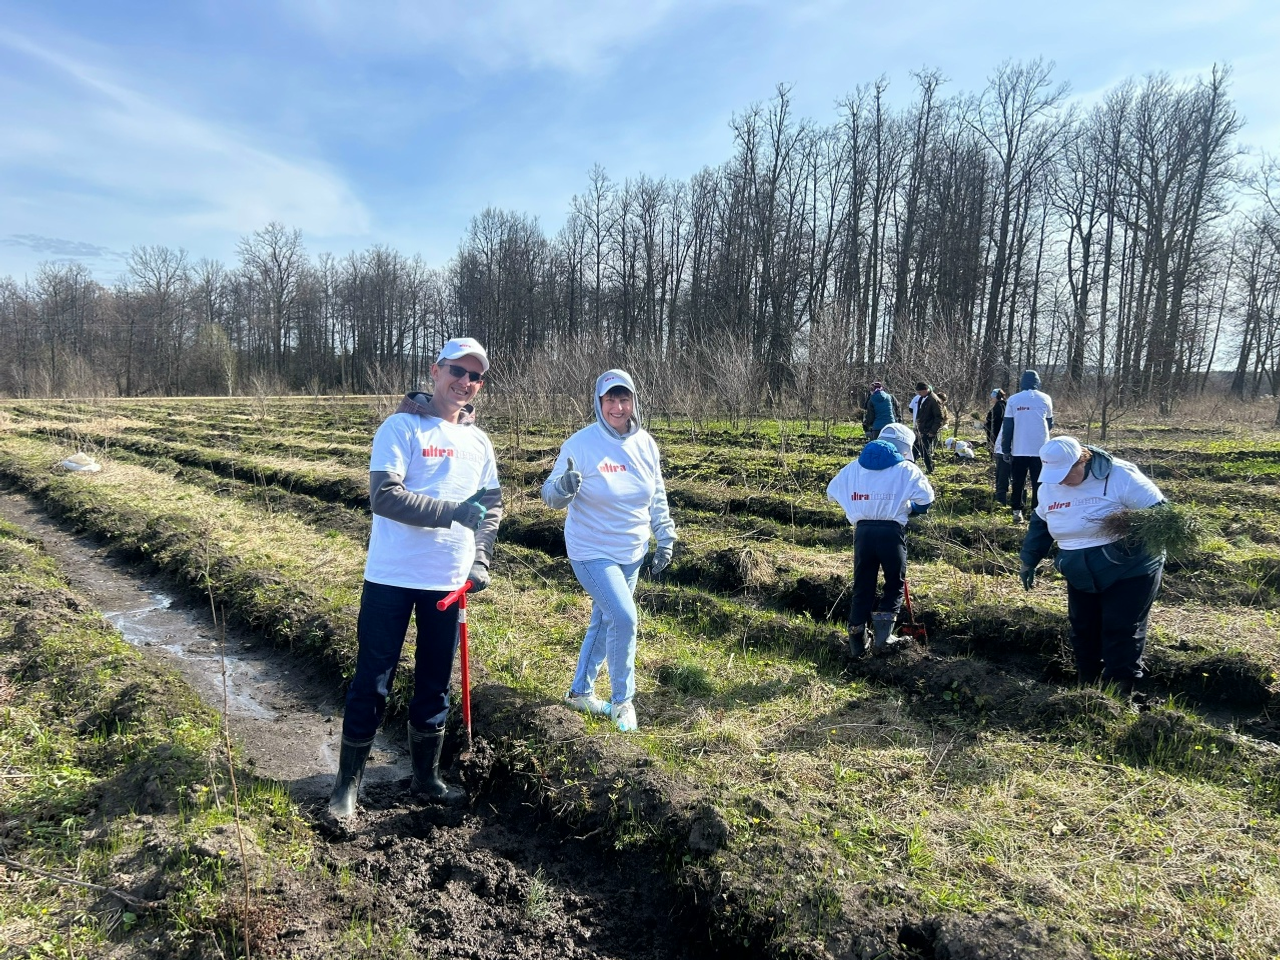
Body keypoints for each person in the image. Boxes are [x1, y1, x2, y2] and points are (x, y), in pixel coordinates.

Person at [329, 337, 503, 818]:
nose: (464, 382)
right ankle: (347, 786)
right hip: (392, 576)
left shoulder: (479, 441)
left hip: (447, 581)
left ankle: (426, 778)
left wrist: (481, 558)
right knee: (373, 679)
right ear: (435, 371)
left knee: (434, 683)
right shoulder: (401, 426)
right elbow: (384, 496)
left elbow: (491, 507)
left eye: (474, 376)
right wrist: (452, 512)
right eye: (456, 371)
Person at [542, 370, 677, 734]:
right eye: (610, 400)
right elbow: (550, 494)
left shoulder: (646, 444)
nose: (618, 407)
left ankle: (580, 692)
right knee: (624, 618)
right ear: (599, 403)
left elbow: (657, 494)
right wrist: (564, 487)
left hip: (631, 550)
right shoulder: (581, 444)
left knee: (605, 620)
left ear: (634, 401)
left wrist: (664, 536)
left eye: (624, 399)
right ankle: (623, 701)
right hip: (591, 550)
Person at [1018, 437, 1166, 698]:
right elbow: (1040, 523)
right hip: (1079, 570)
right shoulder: (1050, 486)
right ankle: (1087, 687)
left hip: (1129, 568)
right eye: (1055, 475)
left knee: (1120, 628)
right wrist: (1029, 560)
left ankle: (1120, 691)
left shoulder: (1120, 475)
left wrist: (1128, 531)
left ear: (1083, 460)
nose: (1061, 481)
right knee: (1083, 628)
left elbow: (1162, 516)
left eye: (1065, 474)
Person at [826, 421, 935, 658]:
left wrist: (864, 502)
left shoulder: (853, 468)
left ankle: (857, 639)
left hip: (862, 534)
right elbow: (926, 500)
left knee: (863, 585)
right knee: (894, 581)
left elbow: (831, 492)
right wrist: (910, 509)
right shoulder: (906, 469)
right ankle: (884, 637)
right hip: (891, 533)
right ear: (905, 449)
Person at [1000, 369, 1054, 522]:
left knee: (1018, 482)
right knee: (1039, 482)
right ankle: (1037, 512)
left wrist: (1006, 449)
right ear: (1038, 382)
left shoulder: (1014, 400)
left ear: (1022, 382)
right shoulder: (1046, 398)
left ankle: (1017, 511)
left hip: (1019, 449)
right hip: (1041, 449)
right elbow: (1050, 423)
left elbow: (1008, 427)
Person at [912, 382, 945, 475]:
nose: (919, 394)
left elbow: (939, 417)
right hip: (921, 430)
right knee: (915, 449)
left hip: (928, 430)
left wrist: (933, 431)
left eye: (920, 392)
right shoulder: (922, 398)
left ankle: (930, 469)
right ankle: (910, 466)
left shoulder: (933, 400)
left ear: (925, 390)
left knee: (925, 451)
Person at [985, 389, 1010, 505]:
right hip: (1002, 436)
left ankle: (1001, 500)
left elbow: (994, 422)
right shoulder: (1006, 405)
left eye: (992, 396)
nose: (991, 398)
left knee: (1001, 472)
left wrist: (986, 425)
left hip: (998, 436)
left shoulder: (998, 407)